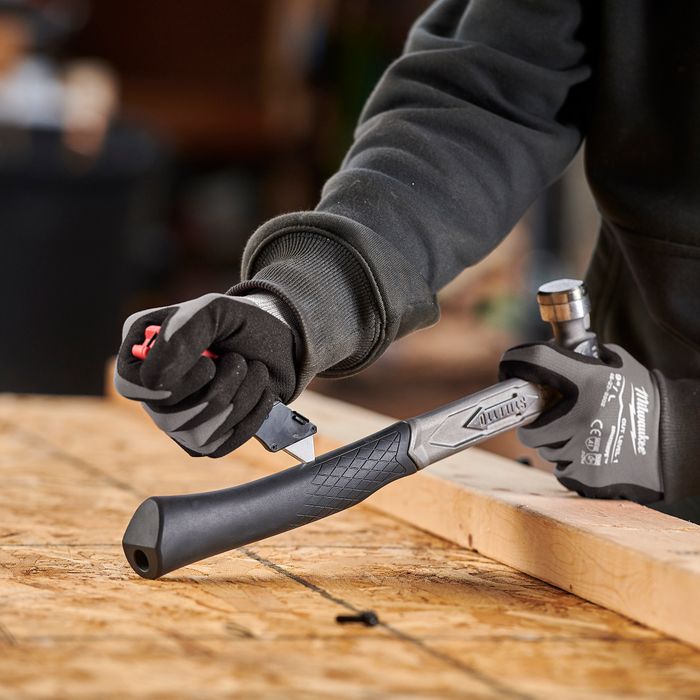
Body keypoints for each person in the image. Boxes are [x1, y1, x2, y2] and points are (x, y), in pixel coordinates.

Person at [115, 0, 699, 508]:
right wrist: (298, 305)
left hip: (654, 440)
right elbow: (483, 99)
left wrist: (684, 435)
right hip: (633, 475)